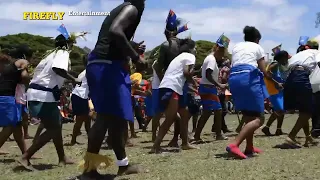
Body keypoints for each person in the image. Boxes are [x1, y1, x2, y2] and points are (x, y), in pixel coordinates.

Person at [79, 0, 147, 178]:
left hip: (105, 64)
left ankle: (123, 165)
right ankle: (89, 170)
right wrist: (136, 57)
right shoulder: (131, 8)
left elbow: (114, 38)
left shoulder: (123, 8)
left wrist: (129, 48)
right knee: (105, 117)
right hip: (107, 66)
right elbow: (115, 31)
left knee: (116, 120)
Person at [18, 30, 83, 170]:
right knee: (54, 128)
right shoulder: (63, 53)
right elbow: (58, 69)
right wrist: (74, 79)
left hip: (37, 94)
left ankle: (62, 158)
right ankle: (25, 157)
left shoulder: (49, 55)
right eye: (72, 44)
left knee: (56, 125)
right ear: (68, 44)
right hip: (44, 96)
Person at [226, 26, 271, 159]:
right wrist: (269, 76)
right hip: (249, 78)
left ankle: (249, 147)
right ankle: (235, 144)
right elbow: (263, 70)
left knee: (248, 115)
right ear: (257, 39)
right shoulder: (257, 47)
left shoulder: (237, 47)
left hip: (234, 79)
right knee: (259, 118)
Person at [150, 38, 199, 153]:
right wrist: (193, 79)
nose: (196, 50)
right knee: (170, 118)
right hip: (173, 87)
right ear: (191, 48)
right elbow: (186, 73)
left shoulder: (179, 57)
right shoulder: (190, 56)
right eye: (195, 47)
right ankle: (156, 146)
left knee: (184, 113)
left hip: (169, 86)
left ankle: (185, 143)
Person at [152, 9, 189, 147]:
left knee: (173, 115)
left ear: (166, 32)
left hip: (171, 84)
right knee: (181, 114)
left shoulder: (165, 45)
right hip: (181, 83)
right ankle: (181, 141)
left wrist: (163, 81)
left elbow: (157, 66)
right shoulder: (184, 45)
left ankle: (176, 141)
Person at [283, 40, 319, 147]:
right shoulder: (316, 53)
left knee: (304, 110)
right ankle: (291, 137)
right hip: (302, 76)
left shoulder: (299, 54)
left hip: (290, 78)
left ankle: (308, 137)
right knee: (308, 111)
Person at [194, 34, 229, 142]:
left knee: (208, 112)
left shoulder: (210, 58)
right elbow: (208, 74)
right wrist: (220, 85)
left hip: (209, 87)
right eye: (222, 53)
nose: (222, 56)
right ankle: (217, 134)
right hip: (208, 88)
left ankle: (198, 135)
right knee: (217, 110)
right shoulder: (211, 59)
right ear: (218, 49)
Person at [0, 53, 30, 155]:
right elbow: (25, 76)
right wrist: (26, 78)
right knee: (10, 127)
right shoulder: (22, 61)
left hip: (6, 97)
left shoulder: (5, 71)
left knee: (17, 126)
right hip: (7, 97)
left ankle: (25, 153)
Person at [7, 45, 34, 139]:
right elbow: (23, 77)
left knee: (24, 115)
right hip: (17, 93)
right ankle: (9, 134)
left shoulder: (14, 64)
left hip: (21, 93)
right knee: (16, 118)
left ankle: (25, 134)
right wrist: (29, 78)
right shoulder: (23, 62)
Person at [262, 50, 290, 136]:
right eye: (286, 58)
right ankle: (266, 128)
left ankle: (279, 129)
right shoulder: (275, 64)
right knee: (280, 110)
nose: (286, 61)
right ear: (282, 58)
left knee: (282, 110)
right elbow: (266, 74)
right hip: (273, 90)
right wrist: (276, 83)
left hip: (278, 90)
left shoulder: (278, 66)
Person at [69, 55, 91, 145]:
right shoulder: (89, 71)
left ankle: (90, 139)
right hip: (80, 96)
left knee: (87, 118)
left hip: (80, 96)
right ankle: (73, 140)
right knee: (80, 119)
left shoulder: (85, 71)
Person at [212, 59, 232, 133]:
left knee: (219, 109)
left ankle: (221, 126)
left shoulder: (219, 68)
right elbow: (224, 78)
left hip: (217, 89)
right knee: (223, 110)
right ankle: (217, 126)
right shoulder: (226, 69)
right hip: (221, 90)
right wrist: (228, 82)